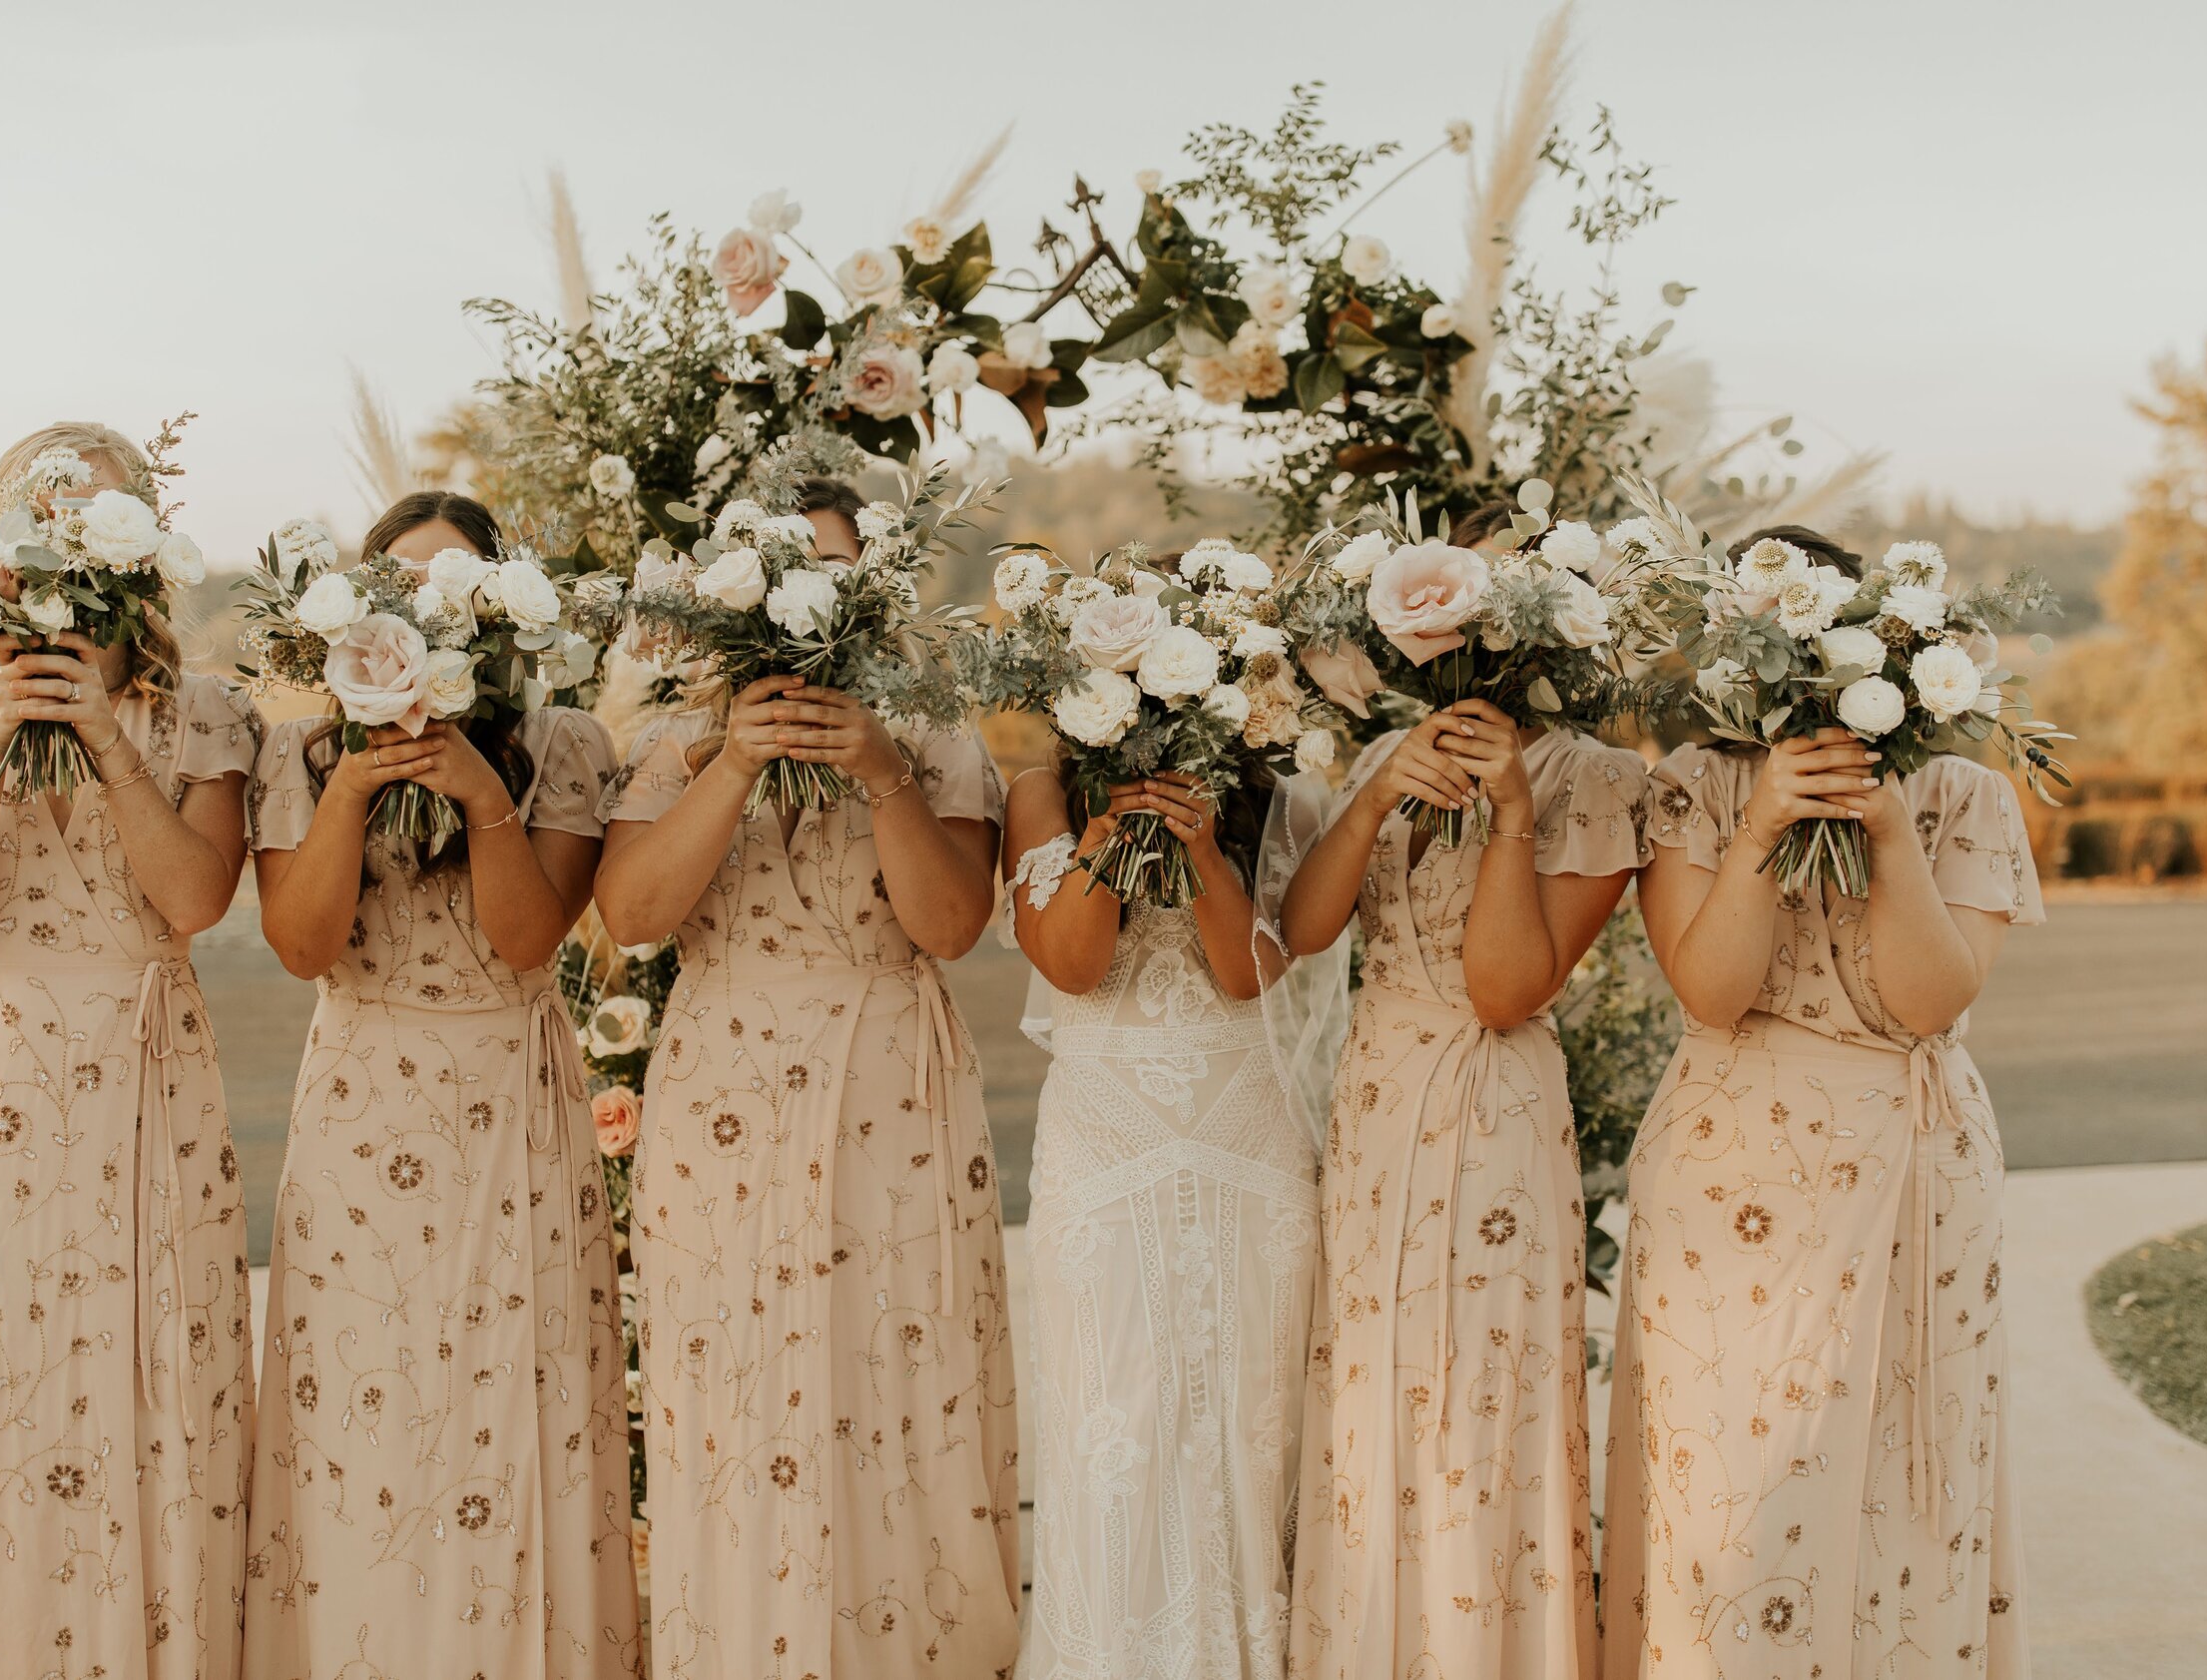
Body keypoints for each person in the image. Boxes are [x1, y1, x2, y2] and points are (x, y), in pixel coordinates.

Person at [0, 421, 263, 1679]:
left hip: (151, 1091)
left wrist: (105, 737)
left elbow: (195, 902)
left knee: (165, 1404)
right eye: (44, 520)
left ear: (140, 551)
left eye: (95, 519)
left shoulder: (205, 714)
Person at [594, 476, 1021, 1678]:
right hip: (721, 1091)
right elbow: (632, 916)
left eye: (832, 565)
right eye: (783, 565)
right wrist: (732, 763)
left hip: (891, 1081)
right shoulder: (675, 741)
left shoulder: (931, 735)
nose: (806, 590)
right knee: (731, 1399)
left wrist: (883, 771)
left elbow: (949, 926)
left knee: (900, 1385)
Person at [1600, 527, 2038, 1678]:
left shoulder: (1962, 792)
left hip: (1909, 1157)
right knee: (1729, 1511)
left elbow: (1929, 1004)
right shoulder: (1693, 787)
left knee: (1900, 1485)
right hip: (1730, 1163)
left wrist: (1887, 828)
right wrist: (1760, 825)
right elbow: (1710, 991)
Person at [239, 492, 640, 1678]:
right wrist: (356, 790)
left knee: (510, 1403)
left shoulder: (566, 744)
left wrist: (480, 794)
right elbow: (302, 946)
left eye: (458, 582)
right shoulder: (302, 748)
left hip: (511, 1088)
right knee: (366, 1411)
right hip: (362, 1101)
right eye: (405, 583)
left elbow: (528, 943)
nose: (430, 604)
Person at [1281, 505, 1651, 1680]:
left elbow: (1505, 990)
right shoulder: (1393, 748)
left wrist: (1508, 814)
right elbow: (1301, 931)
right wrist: (1382, 788)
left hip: (1490, 1108)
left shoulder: (1597, 777)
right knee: (1368, 1402)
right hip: (1374, 1098)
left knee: (1477, 1404)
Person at [1001, 741, 1336, 1679]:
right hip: (1105, 1144)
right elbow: (1073, 963)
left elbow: (1250, 975)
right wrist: (1106, 841)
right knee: (1115, 1430)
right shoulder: (1041, 791)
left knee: (1249, 1432)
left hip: (1247, 1139)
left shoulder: (1283, 791)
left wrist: (1197, 851)